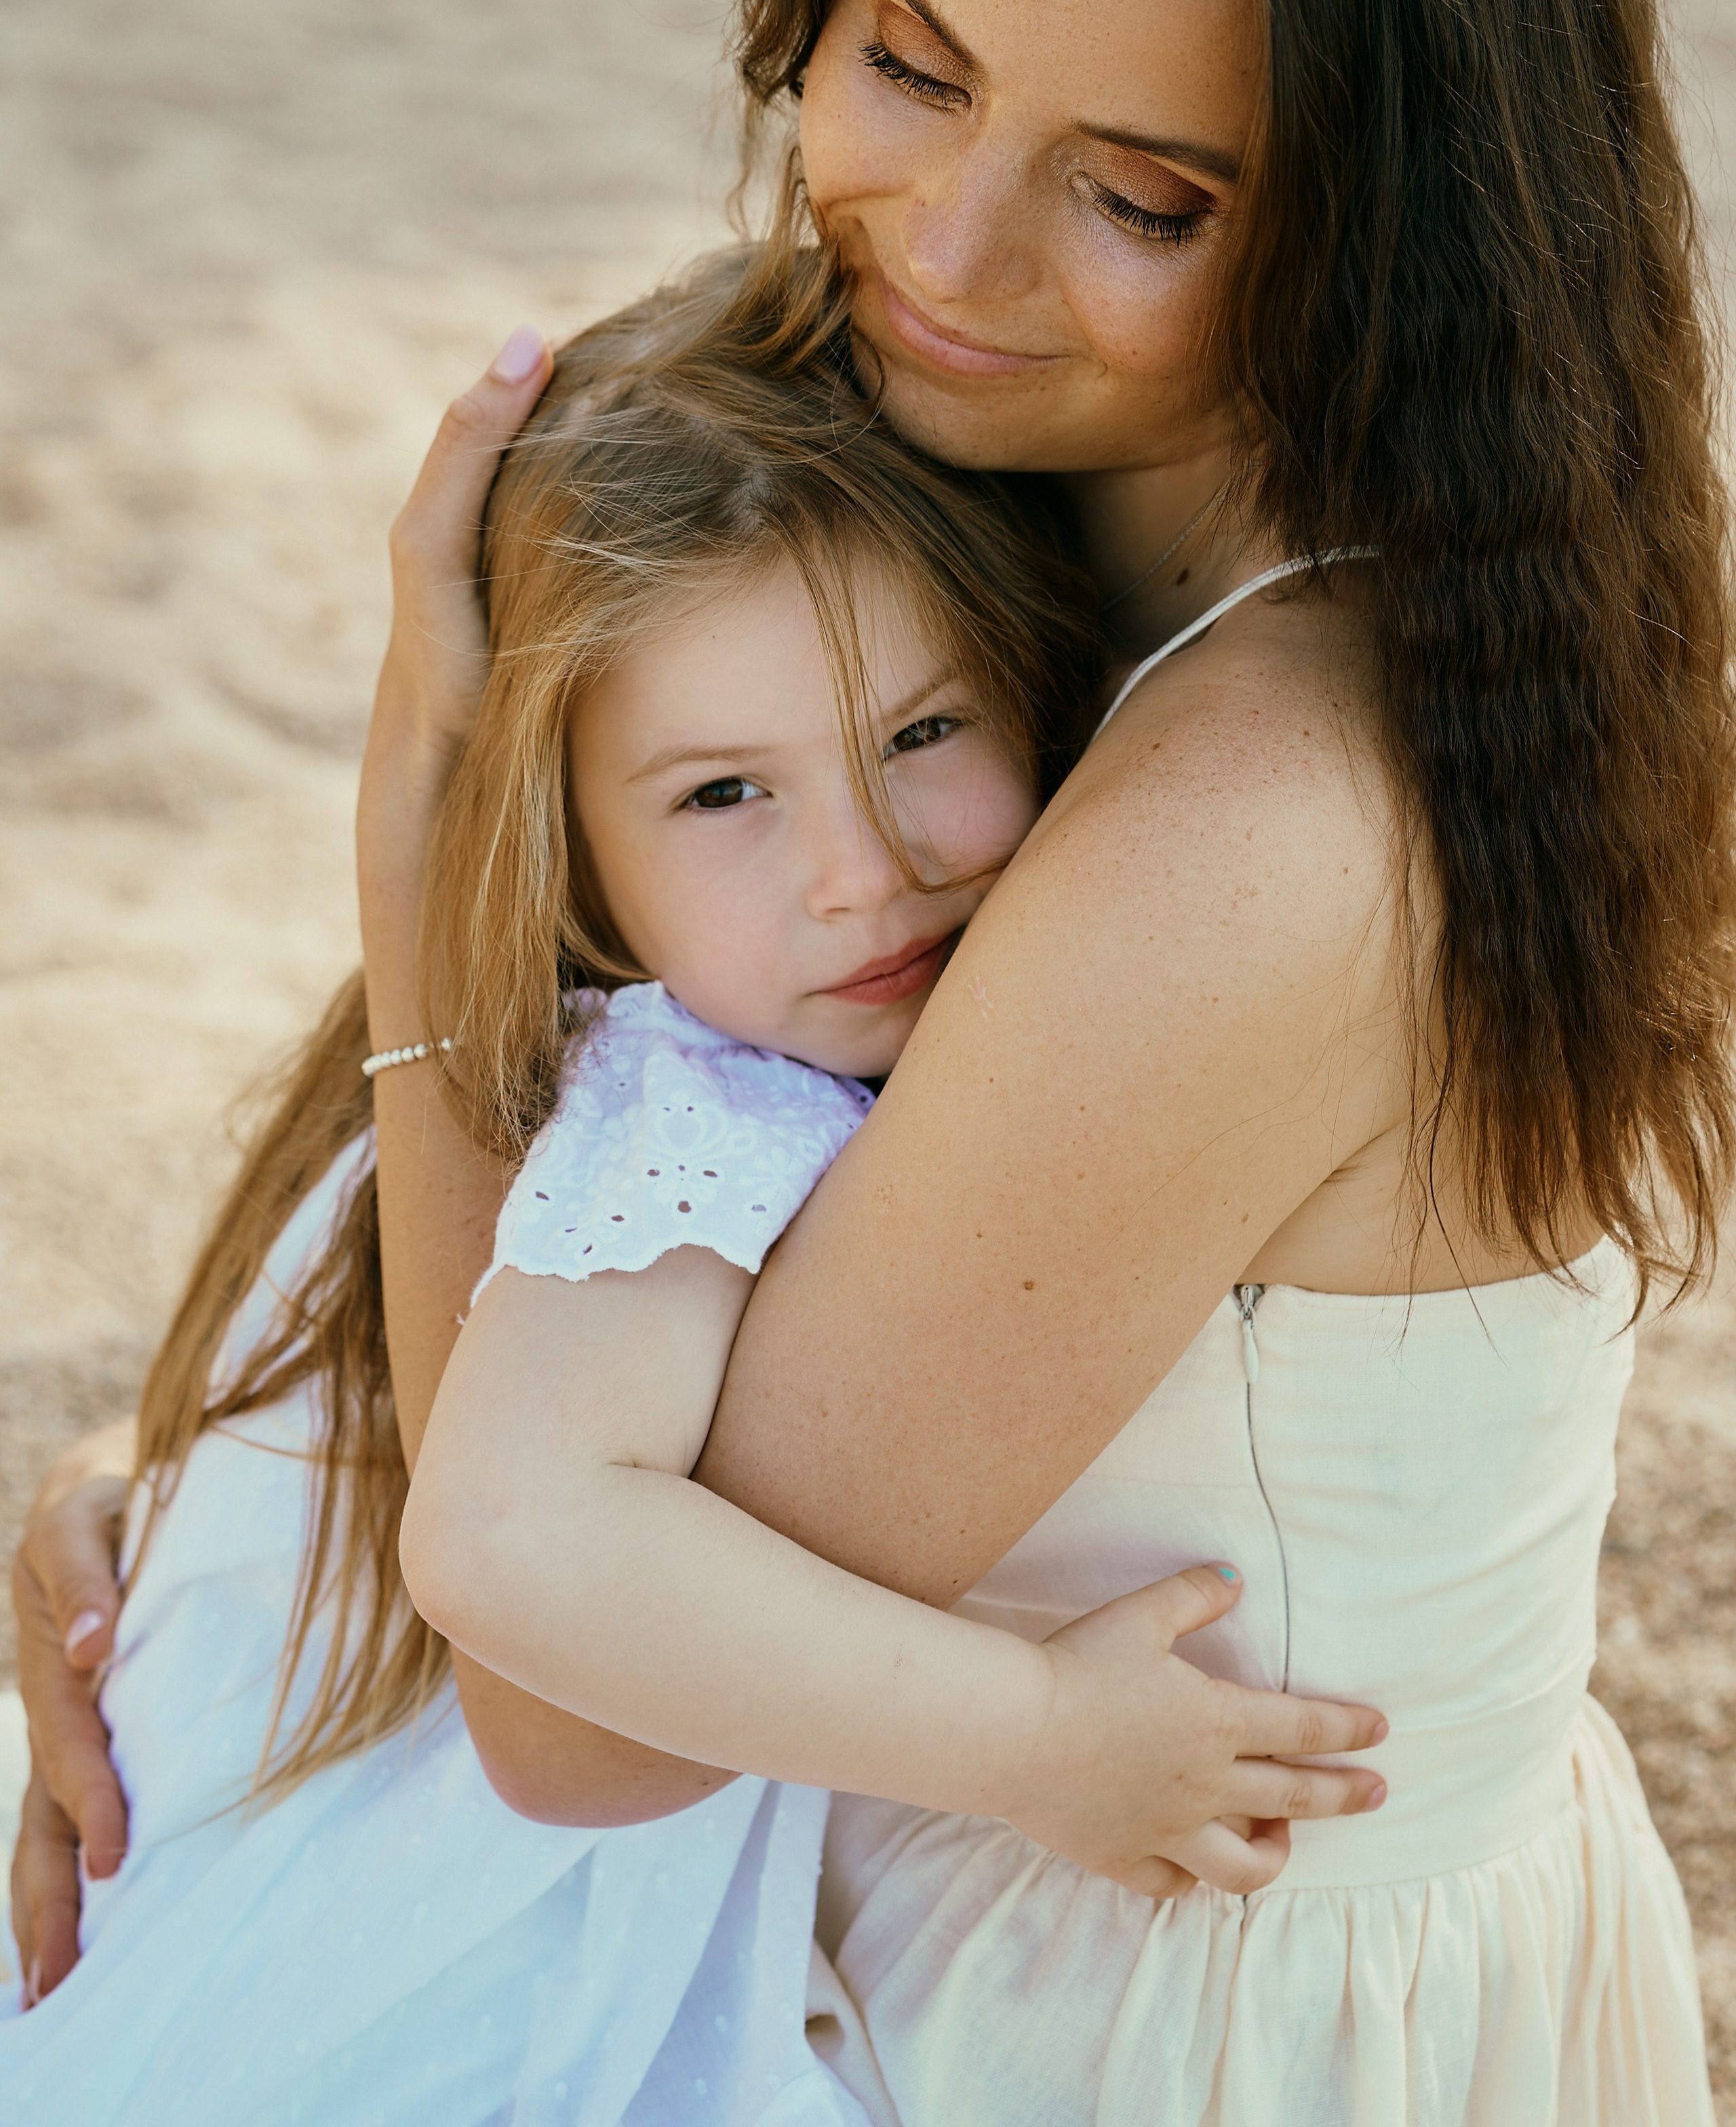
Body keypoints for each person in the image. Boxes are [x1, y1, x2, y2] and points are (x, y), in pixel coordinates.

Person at [16, 0, 1730, 2118]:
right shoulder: (1008, 525)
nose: (941, 246)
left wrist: (428, 832)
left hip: (1124, 2003)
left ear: (1400, 240)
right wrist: (242, 1512)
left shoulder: (1262, 824)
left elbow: (574, 1716)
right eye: (910, 60)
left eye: (1144, 195)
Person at [0, 258, 1383, 2126]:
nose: (861, 870)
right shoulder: (702, 1111)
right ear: (578, 863)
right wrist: (1044, 1738)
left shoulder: (715, 1048)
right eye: (726, 795)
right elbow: (514, 1549)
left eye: (922, 735)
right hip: (427, 1972)